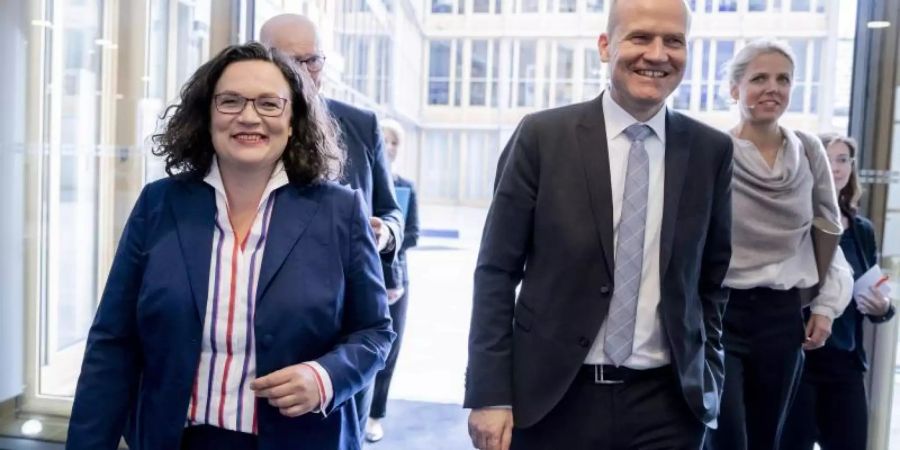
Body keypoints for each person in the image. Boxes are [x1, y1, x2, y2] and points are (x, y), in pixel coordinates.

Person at [65, 42, 395, 450]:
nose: (249, 116)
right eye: (230, 101)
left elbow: (374, 332)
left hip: (301, 439)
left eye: (270, 104)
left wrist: (326, 377)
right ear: (207, 116)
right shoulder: (160, 204)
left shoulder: (339, 211)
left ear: (294, 121)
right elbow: (113, 341)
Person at [464, 1, 734, 449]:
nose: (657, 54)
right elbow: (495, 273)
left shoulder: (711, 152)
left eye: (674, 41)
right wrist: (490, 392)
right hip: (553, 399)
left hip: (668, 408)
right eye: (640, 37)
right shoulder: (542, 138)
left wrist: (708, 378)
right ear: (606, 46)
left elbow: (712, 282)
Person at [704, 40, 854, 450]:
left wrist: (825, 306)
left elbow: (827, 230)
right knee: (727, 436)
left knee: (767, 437)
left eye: (783, 79)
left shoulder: (807, 151)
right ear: (735, 89)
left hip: (782, 315)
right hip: (721, 313)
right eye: (759, 79)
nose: (773, 88)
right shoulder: (714, 151)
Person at [259, 14, 403, 435]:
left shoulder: (360, 125)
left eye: (313, 61)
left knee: (346, 431)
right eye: (291, 62)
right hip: (274, 322)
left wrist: (385, 233)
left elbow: (393, 211)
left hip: (350, 324)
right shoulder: (246, 130)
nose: (304, 74)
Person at [780, 133, 895, 450]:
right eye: (827, 159)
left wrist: (883, 308)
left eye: (843, 159)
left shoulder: (862, 230)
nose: (835, 167)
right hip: (800, 361)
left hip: (845, 364)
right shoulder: (797, 222)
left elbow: (871, 288)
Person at [365, 119, 421, 443]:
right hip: (364, 275)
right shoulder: (363, 182)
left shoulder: (406, 187)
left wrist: (388, 239)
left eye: (394, 142)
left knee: (390, 349)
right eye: (383, 140)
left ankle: (375, 414)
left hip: (396, 278)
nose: (388, 147)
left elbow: (412, 233)